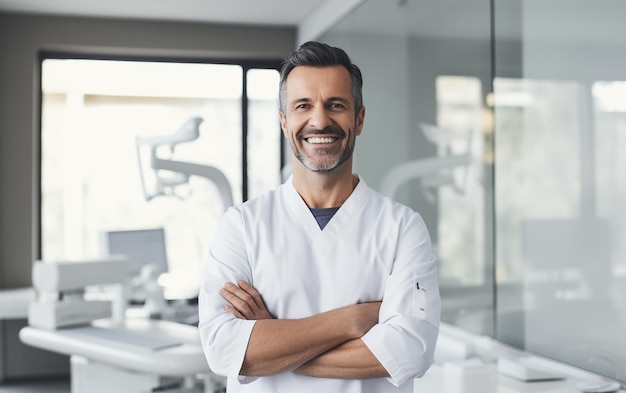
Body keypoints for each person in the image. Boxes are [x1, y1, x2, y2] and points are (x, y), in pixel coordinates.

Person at [198, 41, 440, 392]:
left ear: (359, 119)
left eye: (336, 105)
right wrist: (352, 320)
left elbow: (411, 351)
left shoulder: (402, 228)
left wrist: (274, 340)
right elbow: (223, 351)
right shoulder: (242, 226)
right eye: (303, 106)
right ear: (284, 121)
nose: (319, 120)